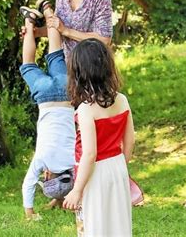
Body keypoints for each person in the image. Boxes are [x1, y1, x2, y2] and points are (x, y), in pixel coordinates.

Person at [62, 39, 135, 236]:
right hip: (117, 166)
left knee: (95, 226)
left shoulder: (86, 110)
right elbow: (130, 141)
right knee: (118, 224)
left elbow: (90, 154)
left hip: (94, 174)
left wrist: (77, 190)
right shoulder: (122, 100)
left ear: (79, 73)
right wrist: (121, 164)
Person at [19, 1, 76, 221]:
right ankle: (30, 20)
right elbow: (28, 185)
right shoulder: (42, 159)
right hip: (44, 97)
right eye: (47, 177)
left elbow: (69, 182)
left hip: (66, 93)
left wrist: (60, 198)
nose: (44, 174)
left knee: (55, 54)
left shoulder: (73, 163)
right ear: (50, 174)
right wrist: (29, 213)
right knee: (28, 64)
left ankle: (46, 9)